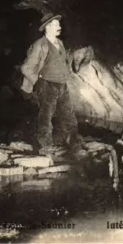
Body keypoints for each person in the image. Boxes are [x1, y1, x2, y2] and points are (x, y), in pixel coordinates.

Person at [20, 13, 86, 157]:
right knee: (46, 116)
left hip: (62, 84)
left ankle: (75, 146)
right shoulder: (40, 45)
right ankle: (45, 147)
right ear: (47, 27)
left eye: (59, 24)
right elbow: (25, 68)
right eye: (56, 25)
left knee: (69, 116)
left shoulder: (59, 43)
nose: (59, 27)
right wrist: (39, 83)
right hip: (47, 84)